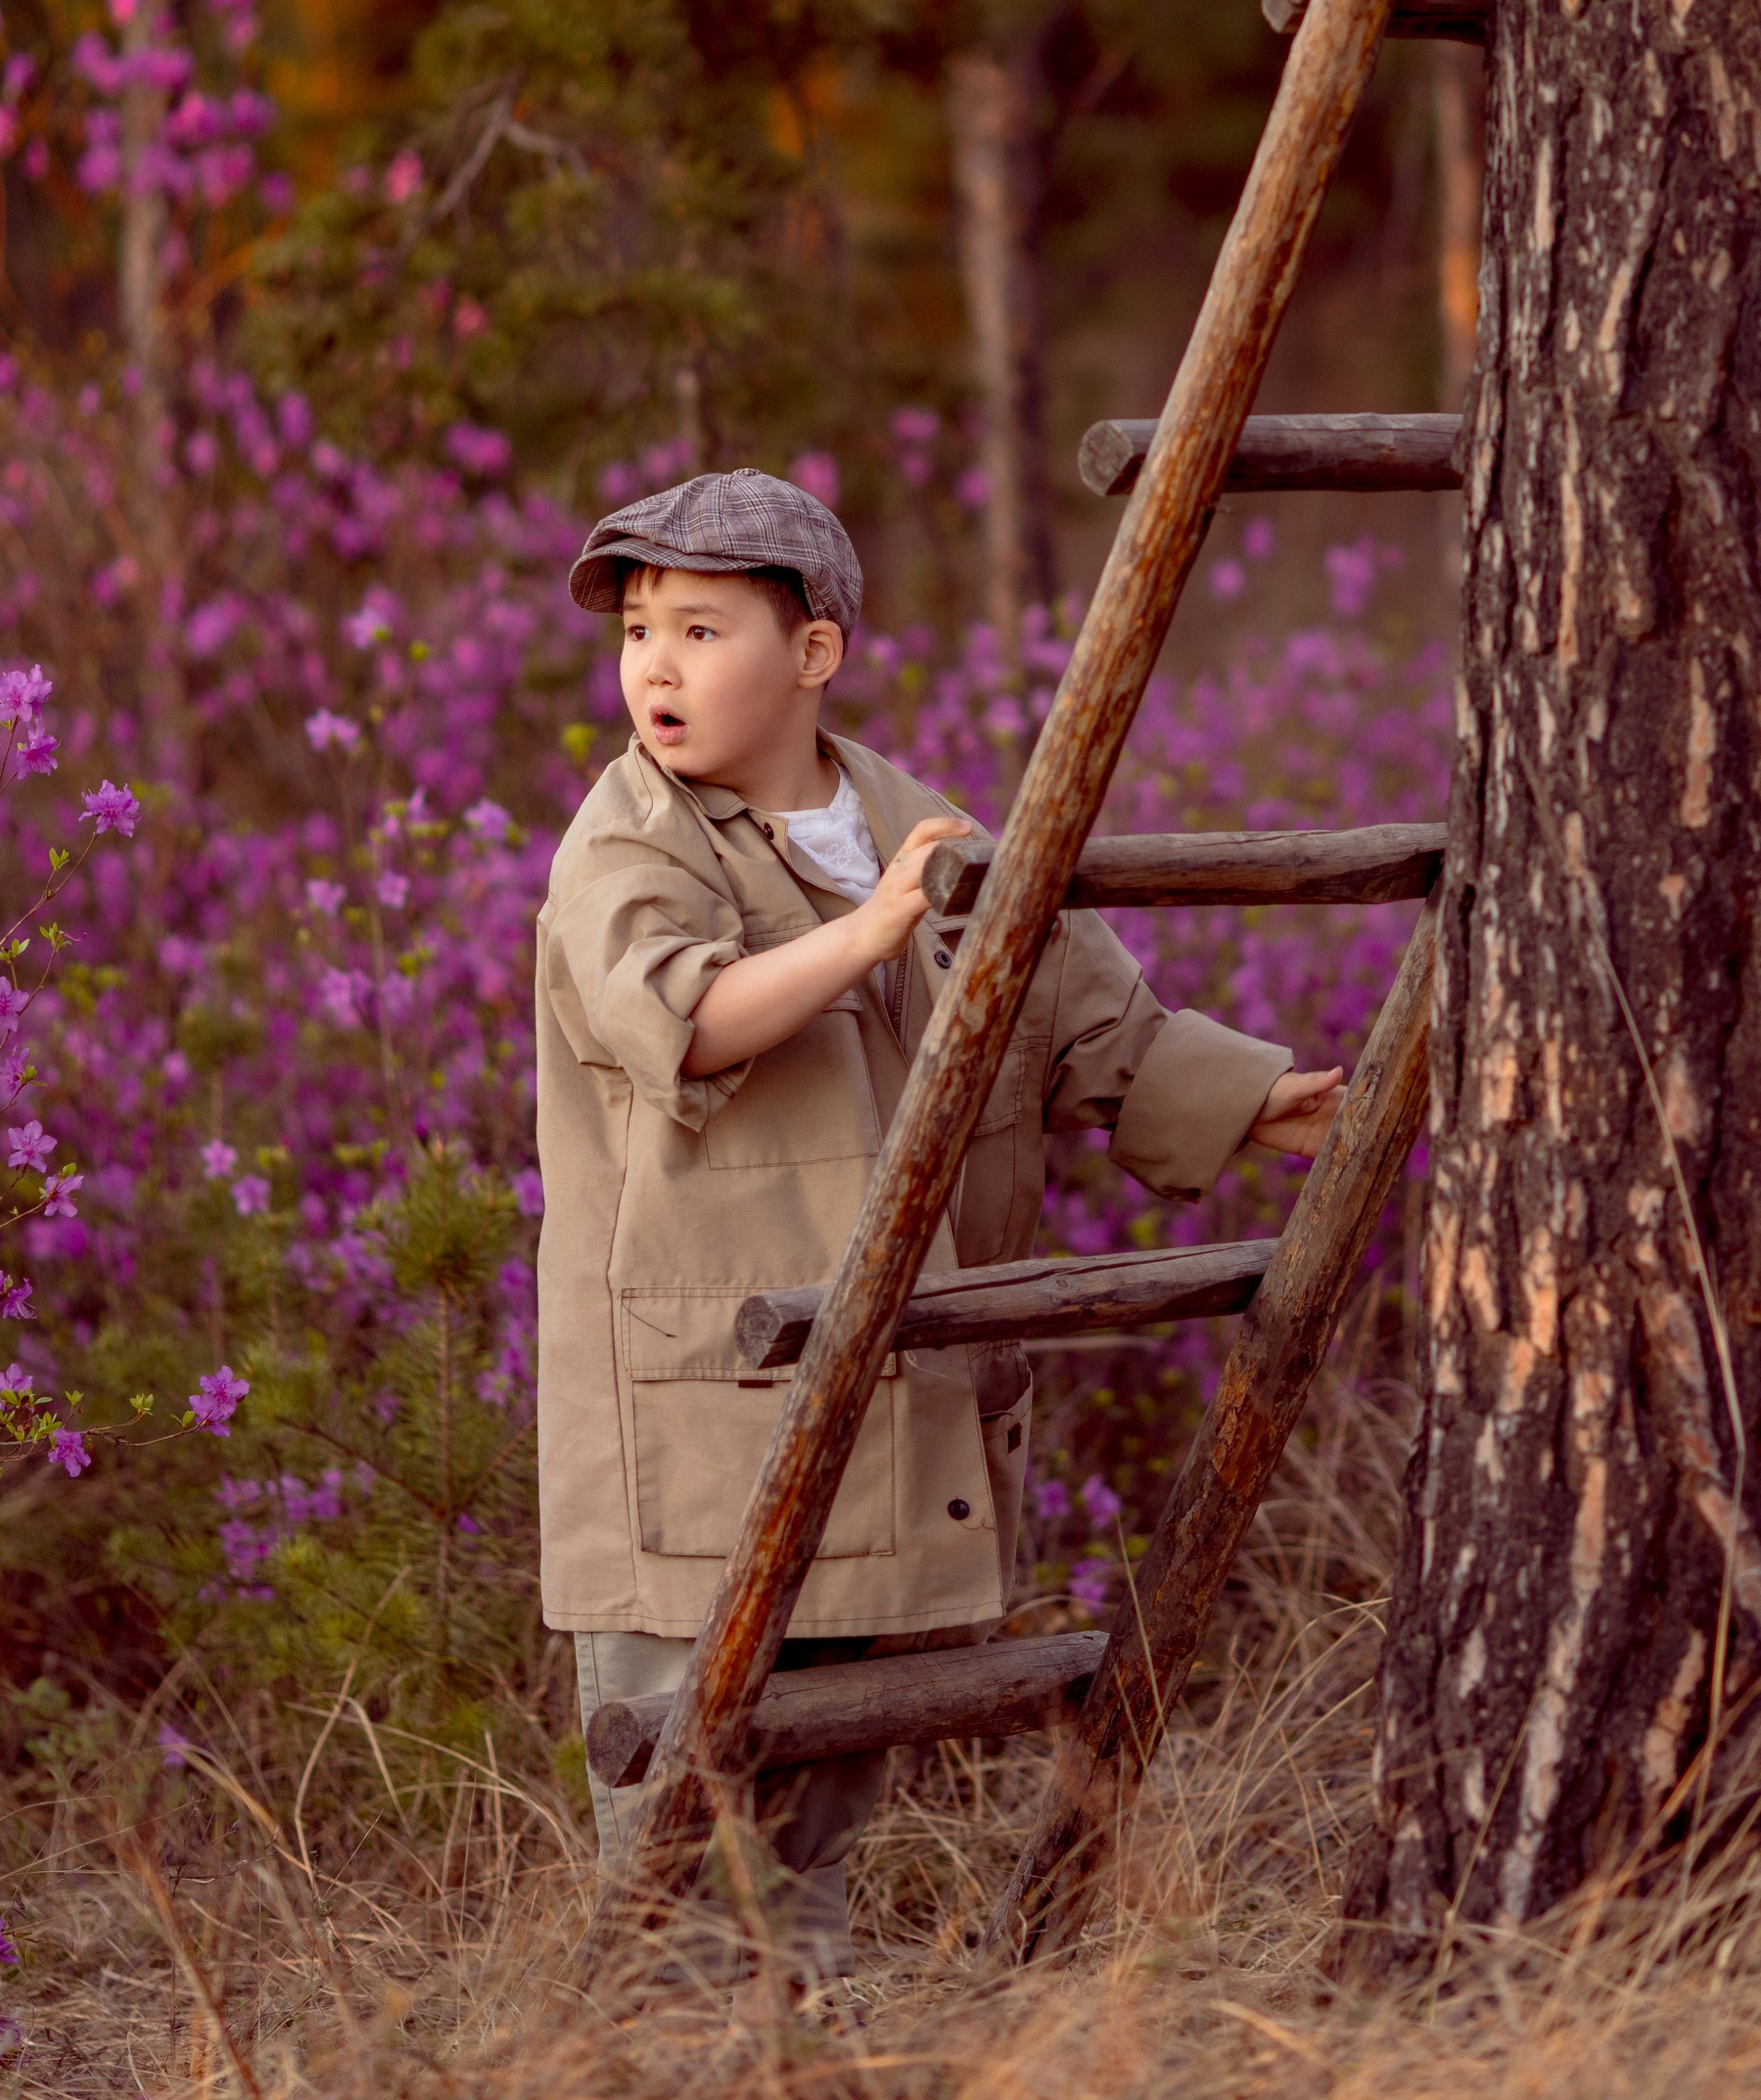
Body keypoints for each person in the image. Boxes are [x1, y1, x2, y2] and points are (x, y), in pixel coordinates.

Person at [534, 467, 1344, 1981]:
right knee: (681, 1790)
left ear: (815, 652)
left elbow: (1090, 1021)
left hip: (881, 1387)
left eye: (701, 629)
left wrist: (1259, 1101)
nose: (655, 664)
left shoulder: (917, 829)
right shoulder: (630, 840)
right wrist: (873, 930)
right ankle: (662, 2066)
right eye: (639, 629)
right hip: (699, 1390)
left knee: (823, 1770)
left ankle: (802, 2037)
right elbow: (686, 1018)